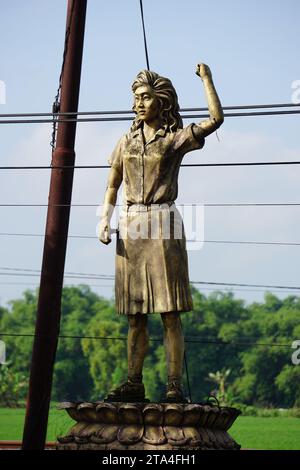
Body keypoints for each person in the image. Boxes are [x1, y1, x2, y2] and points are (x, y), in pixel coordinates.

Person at [99, 63, 223, 402]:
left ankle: (173, 386)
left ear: (162, 102)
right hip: (130, 225)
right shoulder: (125, 141)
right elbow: (112, 184)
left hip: (164, 224)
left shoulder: (173, 139)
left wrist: (207, 81)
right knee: (135, 315)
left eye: (146, 98)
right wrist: (103, 218)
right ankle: (132, 382)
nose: (138, 104)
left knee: (169, 312)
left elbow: (216, 120)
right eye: (136, 98)